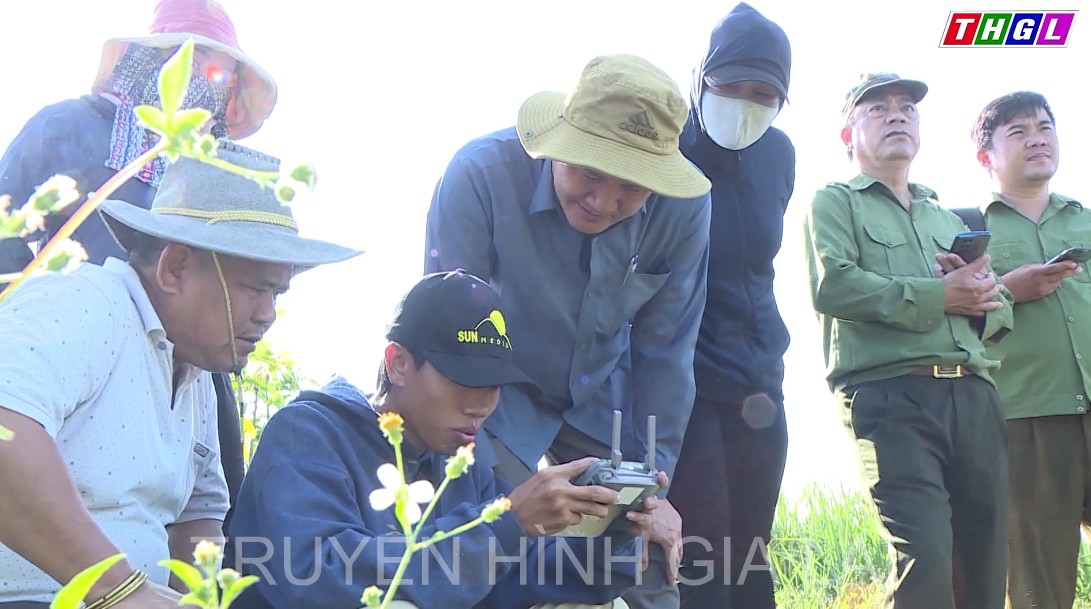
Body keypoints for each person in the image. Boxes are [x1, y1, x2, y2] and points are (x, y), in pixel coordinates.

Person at [0, 141, 359, 608]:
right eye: (256, 289)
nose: (268, 314)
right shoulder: (84, 304)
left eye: (277, 295)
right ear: (174, 269)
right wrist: (119, 589)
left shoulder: (195, 371)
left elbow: (199, 515)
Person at [423, 53, 713, 609]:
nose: (603, 202)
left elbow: (667, 354)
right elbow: (447, 334)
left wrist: (652, 488)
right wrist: (490, 489)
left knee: (643, 551)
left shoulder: (685, 212)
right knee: (489, 541)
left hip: (605, 399)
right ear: (560, 143)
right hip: (493, 393)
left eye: (632, 187)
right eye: (590, 172)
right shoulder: (479, 176)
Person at [228, 269, 665, 609]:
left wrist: (613, 530)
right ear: (398, 363)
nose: (481, 406)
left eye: (494, 385)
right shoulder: (308, 433)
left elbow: (525, 576)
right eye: (464, 379)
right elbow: (321, 581)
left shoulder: (462, 465)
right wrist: (507, 525)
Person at [0, 0, 278, 508]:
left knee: (212, 501)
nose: (201, 80)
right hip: (72, 350)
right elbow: (4, 223)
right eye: (187, 60)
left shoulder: (216, 171)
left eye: (217, 72)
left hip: (185, 362)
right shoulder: (69, 126)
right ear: (150, 60)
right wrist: (35, 311)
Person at [802, 73, 1014, 608]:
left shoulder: (951, 218)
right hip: (890, 396)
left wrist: (979, 295)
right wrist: (940, 295)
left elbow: (1002, 308)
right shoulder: (834, 202)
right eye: (877, 109)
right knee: (926, 555)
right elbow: (835, 285)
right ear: (848, 136)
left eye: (906, 108)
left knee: (985, 560)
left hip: (974, 395)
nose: (897, 115)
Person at [665, 4, 793, 607]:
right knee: (702, 560)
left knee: (751, 558)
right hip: (687, 388)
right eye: (730, 86)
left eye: (764, 94)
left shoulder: (779, 154)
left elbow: (759, 267)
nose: (745, 104)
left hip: (760, 387)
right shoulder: (667, 149)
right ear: (701, 79)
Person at [964, 92, 1090, 609]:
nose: (1037, 138)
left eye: (1044, 127)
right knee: (1040, 584)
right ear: (986, 156)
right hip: (1025, 419)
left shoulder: (1085, 219)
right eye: (1018, 131)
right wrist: (1010, 289)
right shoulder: (964, 231)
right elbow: (951, 326)